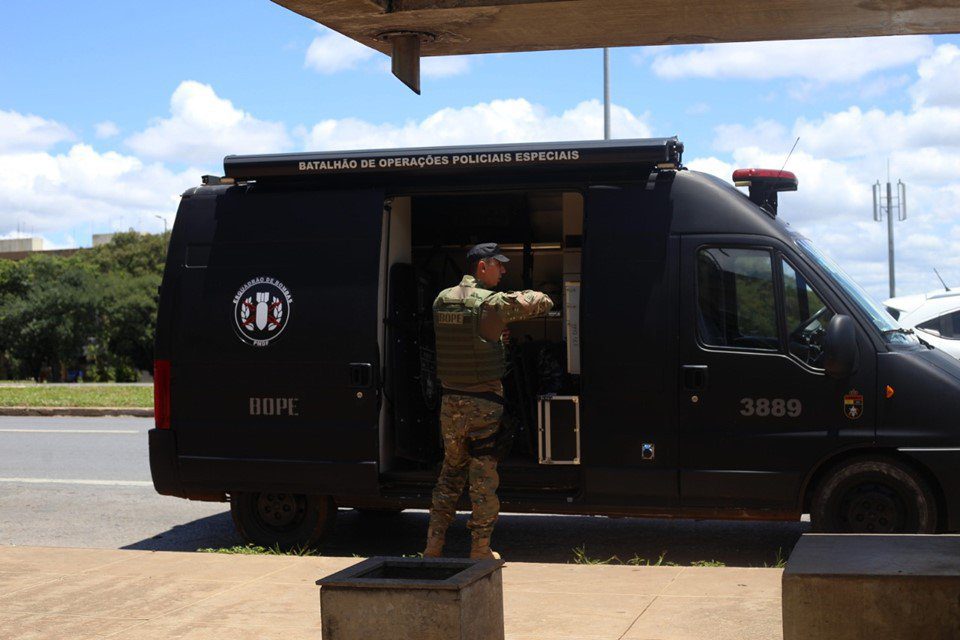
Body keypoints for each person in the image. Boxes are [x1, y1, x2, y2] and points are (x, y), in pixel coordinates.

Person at [423, 242, 554, 560]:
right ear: (482, 267)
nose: (503, 270)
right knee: (482, 478)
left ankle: (433, 546)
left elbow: (468, 337)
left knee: (450, 474)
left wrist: (495, 335)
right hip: (483, 405)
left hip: (450, 404)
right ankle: (480, 548)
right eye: (499, 265)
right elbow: (544, 302)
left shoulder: (442, 299)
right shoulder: (491, 303)